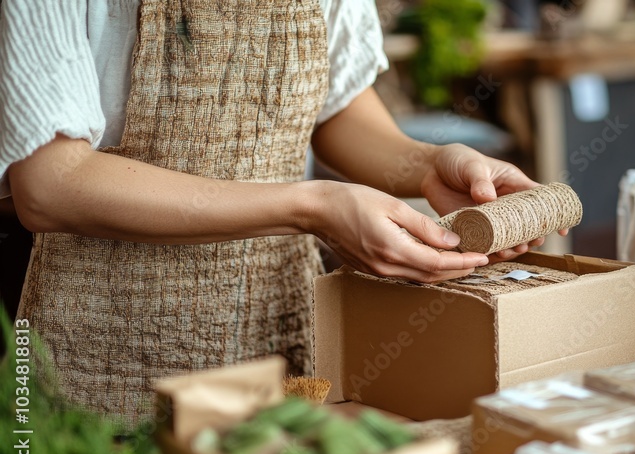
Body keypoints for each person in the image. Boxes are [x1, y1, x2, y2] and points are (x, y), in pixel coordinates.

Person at [0, 0, 545, 425]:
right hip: (101, 348)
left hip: (281, 329)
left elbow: (337, 107)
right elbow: (51, 183)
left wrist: (427, 166)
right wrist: (313, 206)